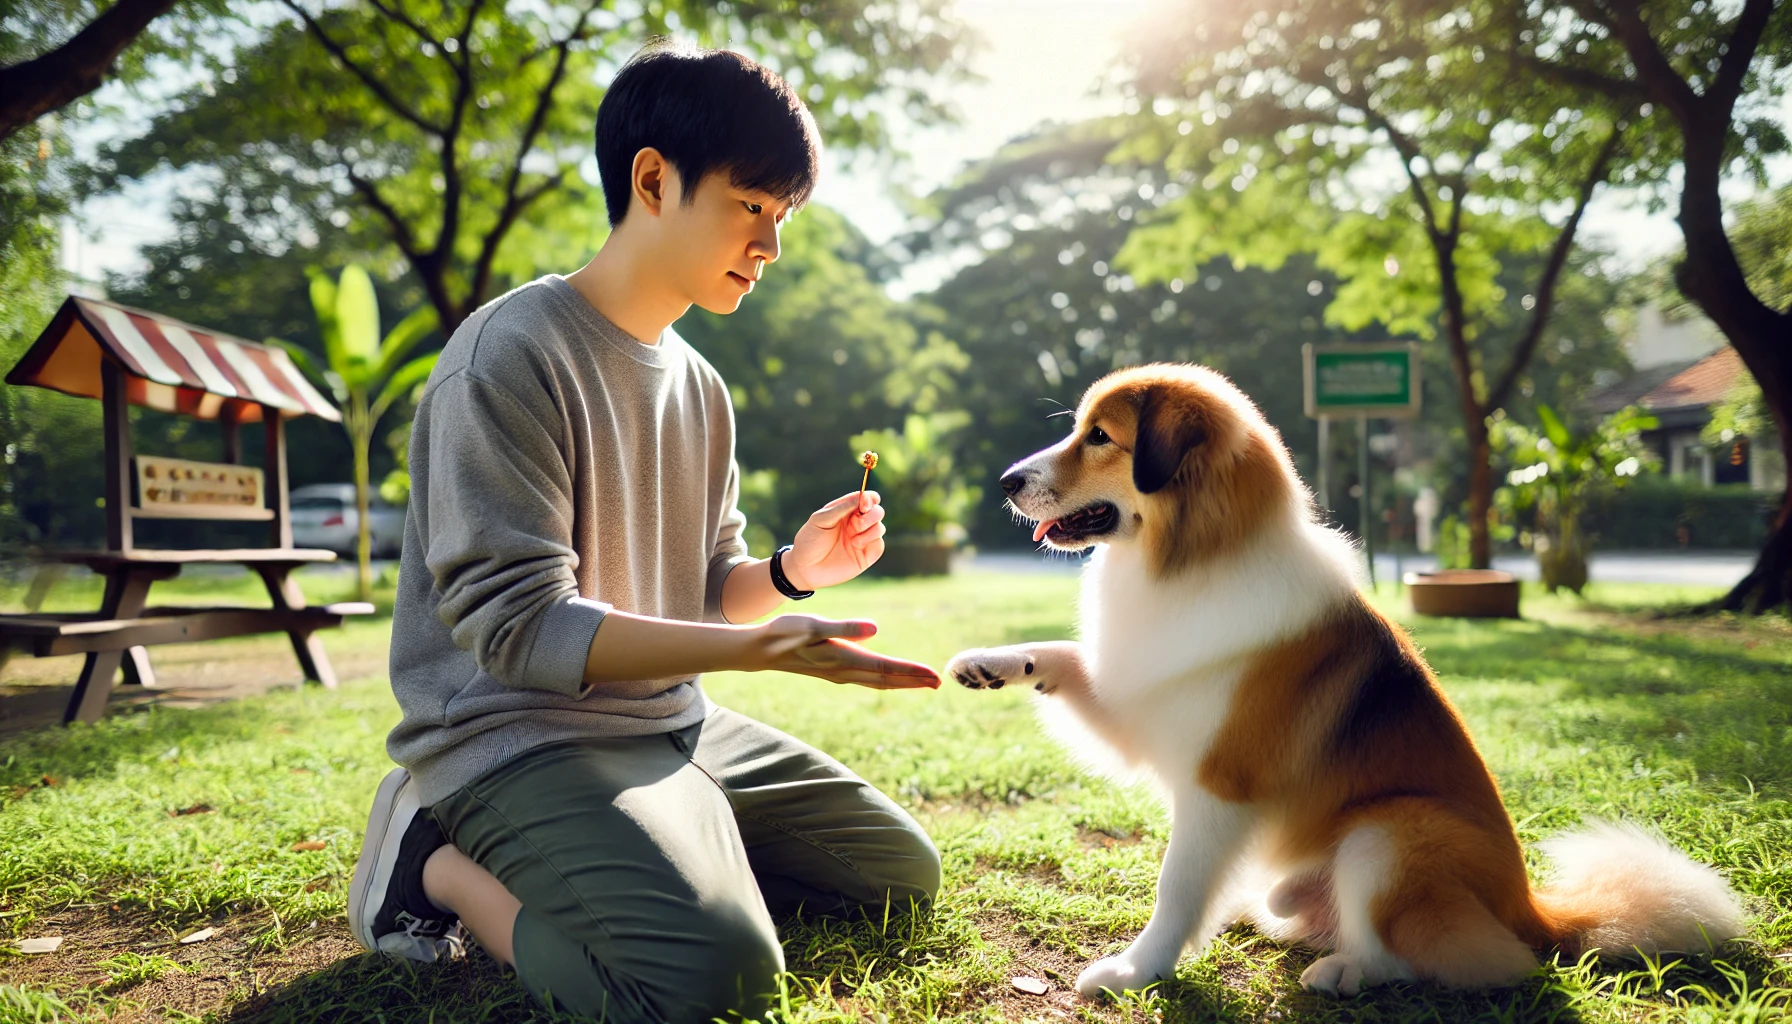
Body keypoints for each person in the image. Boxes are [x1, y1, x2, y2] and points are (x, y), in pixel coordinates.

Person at [345, 44, 943, 1024]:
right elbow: (521, 631)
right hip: (517, 735)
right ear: (654, 180)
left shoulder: (701, 385)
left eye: (783, 216)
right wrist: (757, 651)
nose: (770, 245)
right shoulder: (506, 355)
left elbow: (708, 583)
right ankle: (433, 864)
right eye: (751, 205)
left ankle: (669, 855)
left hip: (671, 721)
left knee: (895, 874)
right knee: (715, 987)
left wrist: (791, 572)